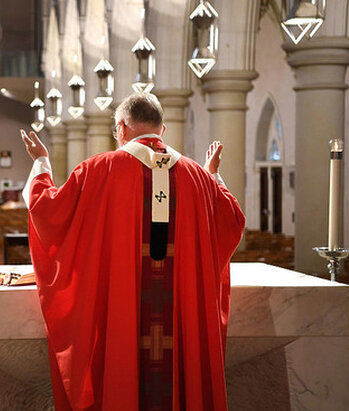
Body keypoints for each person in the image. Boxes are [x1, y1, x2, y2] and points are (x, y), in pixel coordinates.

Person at [20, 92, 245, 411]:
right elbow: (232, 221)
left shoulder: (99, 169)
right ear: (162, 130)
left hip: (122, 313)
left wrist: (41, 163)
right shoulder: (197, 177)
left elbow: (47, 211)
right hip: (178, 318)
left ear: (122, 127)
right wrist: (212, 176)